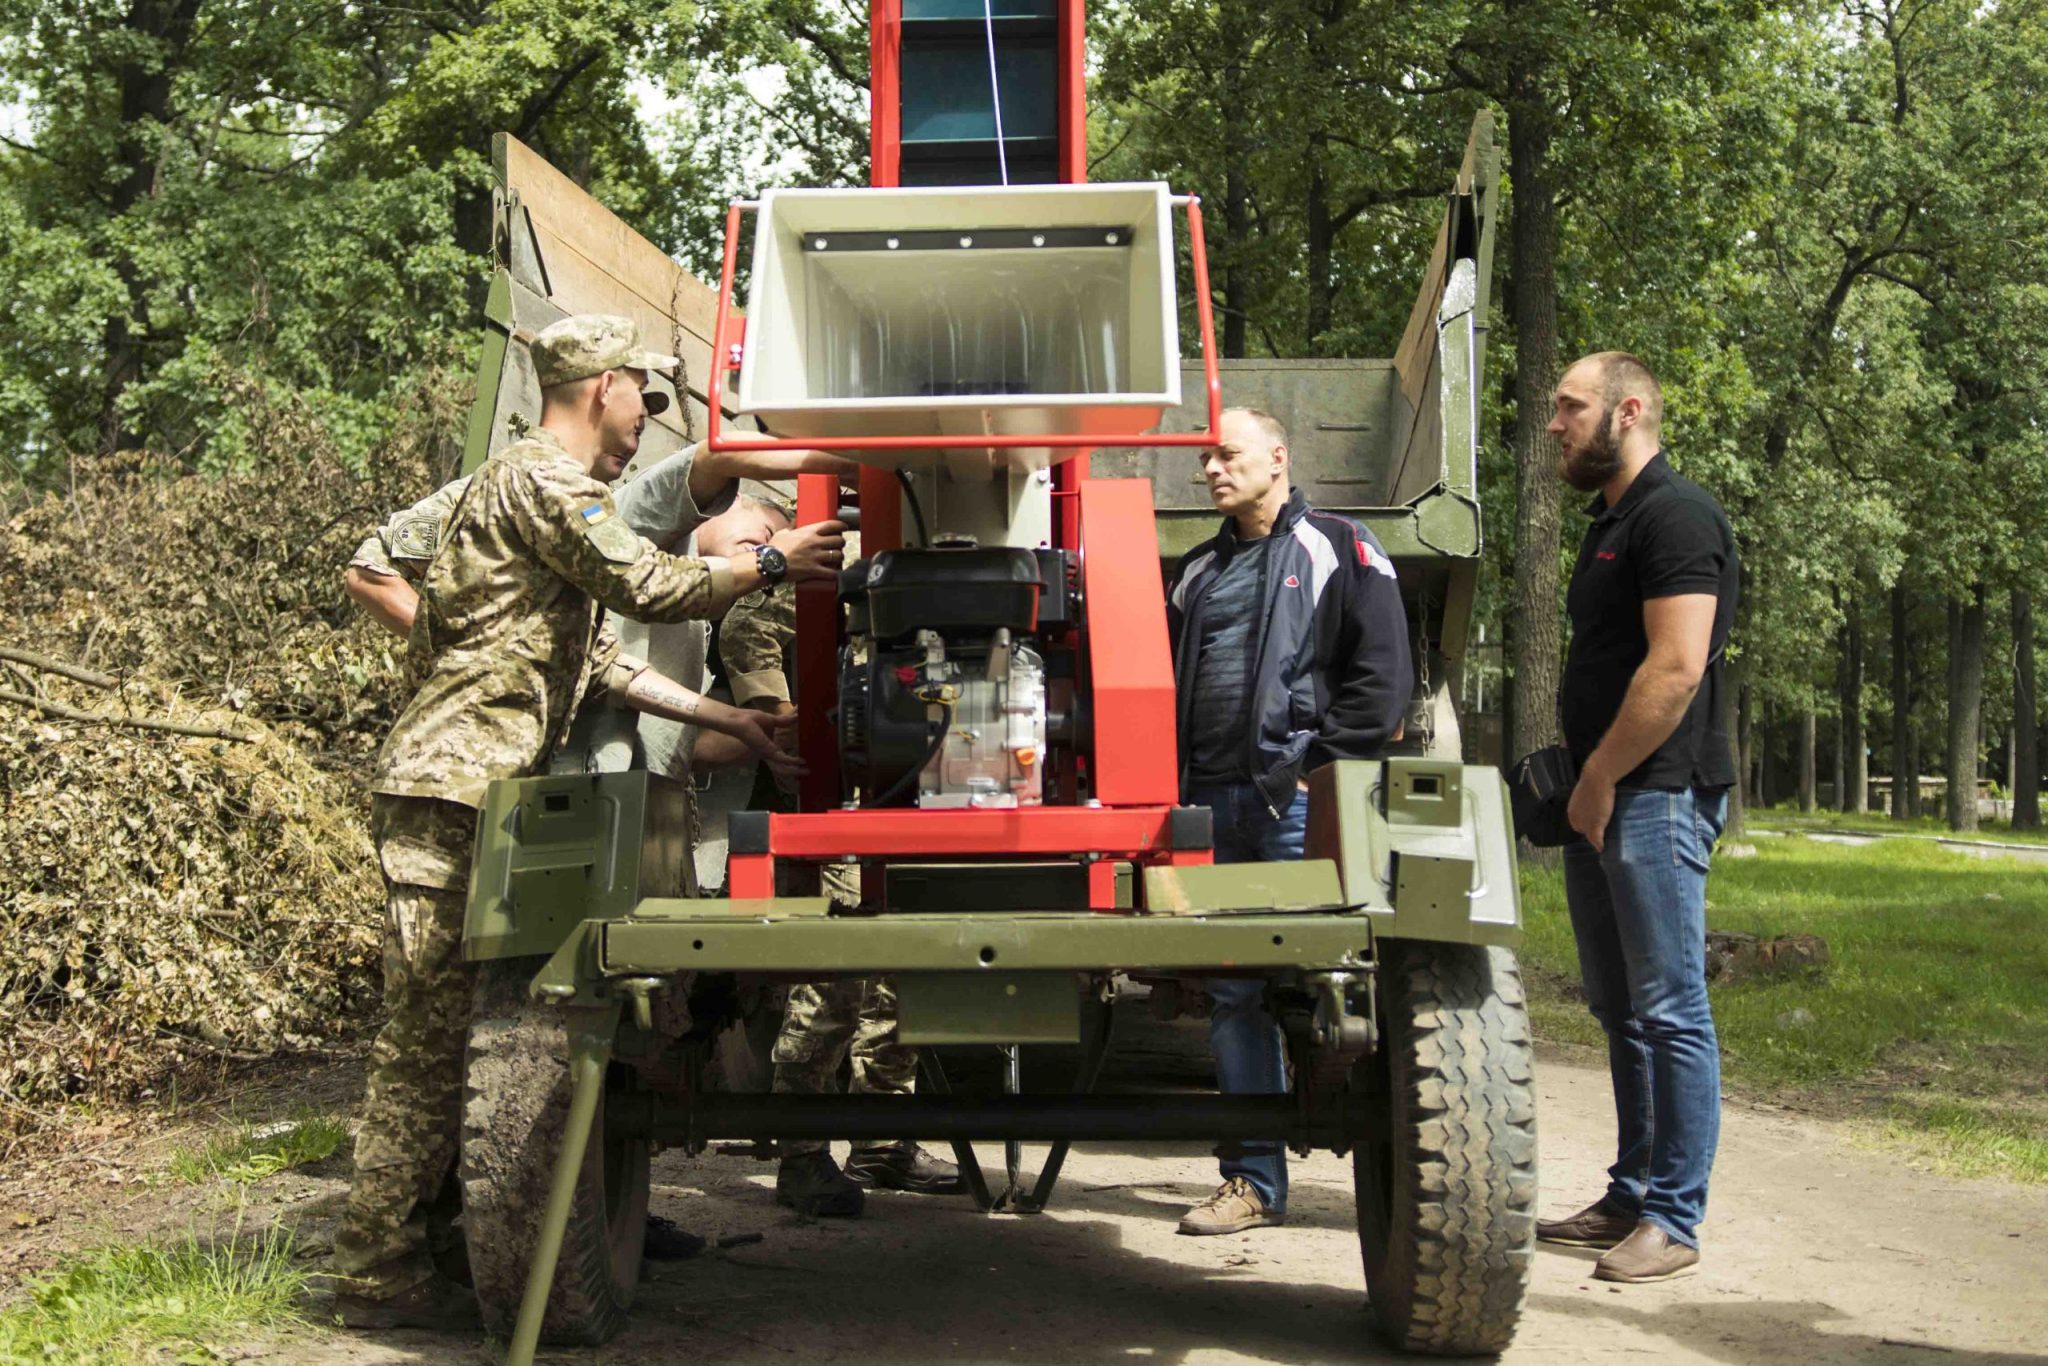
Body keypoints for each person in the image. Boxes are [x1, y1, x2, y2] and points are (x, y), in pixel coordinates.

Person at [329, 314, 847, 1331]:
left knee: (461, 1035)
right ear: (602, 384)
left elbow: (602, 660)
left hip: (484, 787)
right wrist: (775, 563)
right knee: (426, 1044)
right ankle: (373, 1271)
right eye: (643, 395)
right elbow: (646, 583)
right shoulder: (544, 481)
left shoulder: (534, 494)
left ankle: (422, 1245)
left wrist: (725, 716)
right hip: (453, 787)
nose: (646, 416)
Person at [1162, 407, 1411, 1236]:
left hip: (1293, 807)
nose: (1211, 470)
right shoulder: (1195, 571)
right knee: (1234, 993)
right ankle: (1254, 1181)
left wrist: (1312, 773)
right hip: (1210, 807)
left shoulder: (1341, 546)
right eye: (1206, 459)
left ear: (1277, 457)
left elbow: (1384, 679)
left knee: (1327, 985)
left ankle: (1385, 1159)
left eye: (1227, 455)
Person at [1534, 351, 1738, 1284]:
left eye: (1570, 408)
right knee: (1620, 1009)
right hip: (1605, 795)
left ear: (1631, 410)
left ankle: (1675, 1218)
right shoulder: (1611, 522)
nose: (1555, 424)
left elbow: (1676, 666)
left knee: (1669, 1008)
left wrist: (1602, 777)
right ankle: (1631, 1193)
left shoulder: (1678, 515)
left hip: (1653, 794)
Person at [714, 580, 962, 1216]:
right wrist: (782, 718)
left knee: (904, 981)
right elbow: (748, 637)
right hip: (842, 808)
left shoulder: (941, 579)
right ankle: (802, 1155)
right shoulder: (831, 579)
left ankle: (882, 1139)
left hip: (926, 801)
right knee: (830, 989)